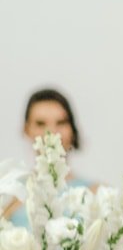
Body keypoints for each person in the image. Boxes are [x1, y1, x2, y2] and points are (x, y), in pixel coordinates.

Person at [5, 88, 92, 224]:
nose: (51, 132)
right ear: (26, 129)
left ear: (72, 130)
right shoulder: (9, 196)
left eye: (61, 123)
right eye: (40, 124)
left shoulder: (95, 195)